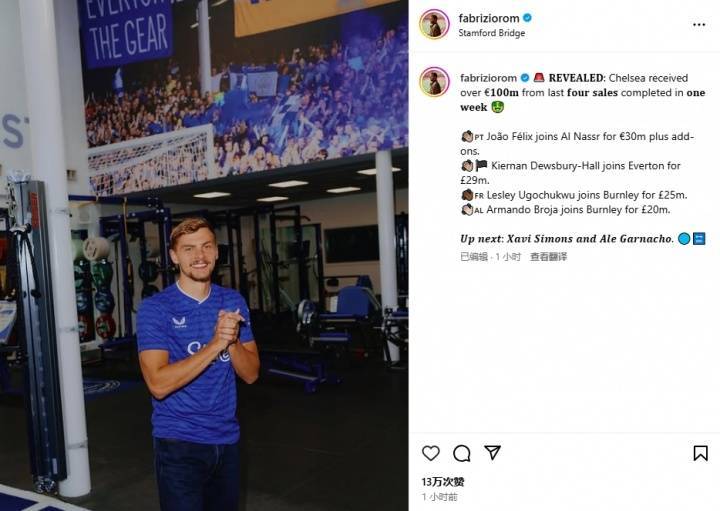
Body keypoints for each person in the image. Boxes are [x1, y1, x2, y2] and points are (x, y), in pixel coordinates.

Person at [137, 218, 260, 511]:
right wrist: (216, 343)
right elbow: (158, 385)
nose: (200, 256)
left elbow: (251, 374)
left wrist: (232, 341)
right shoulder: (156, 309)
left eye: (206, 246)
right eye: (189, 249)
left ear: (217, 252)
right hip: (179, 444)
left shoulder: (233, 301)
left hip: (227, 440)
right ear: (174, 256)